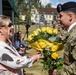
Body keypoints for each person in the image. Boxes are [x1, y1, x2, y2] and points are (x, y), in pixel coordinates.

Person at [52, 1, 76, 75]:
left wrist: (58, 73)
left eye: (60, 16)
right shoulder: (71, 32)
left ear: (70, 17)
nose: (59, 19)